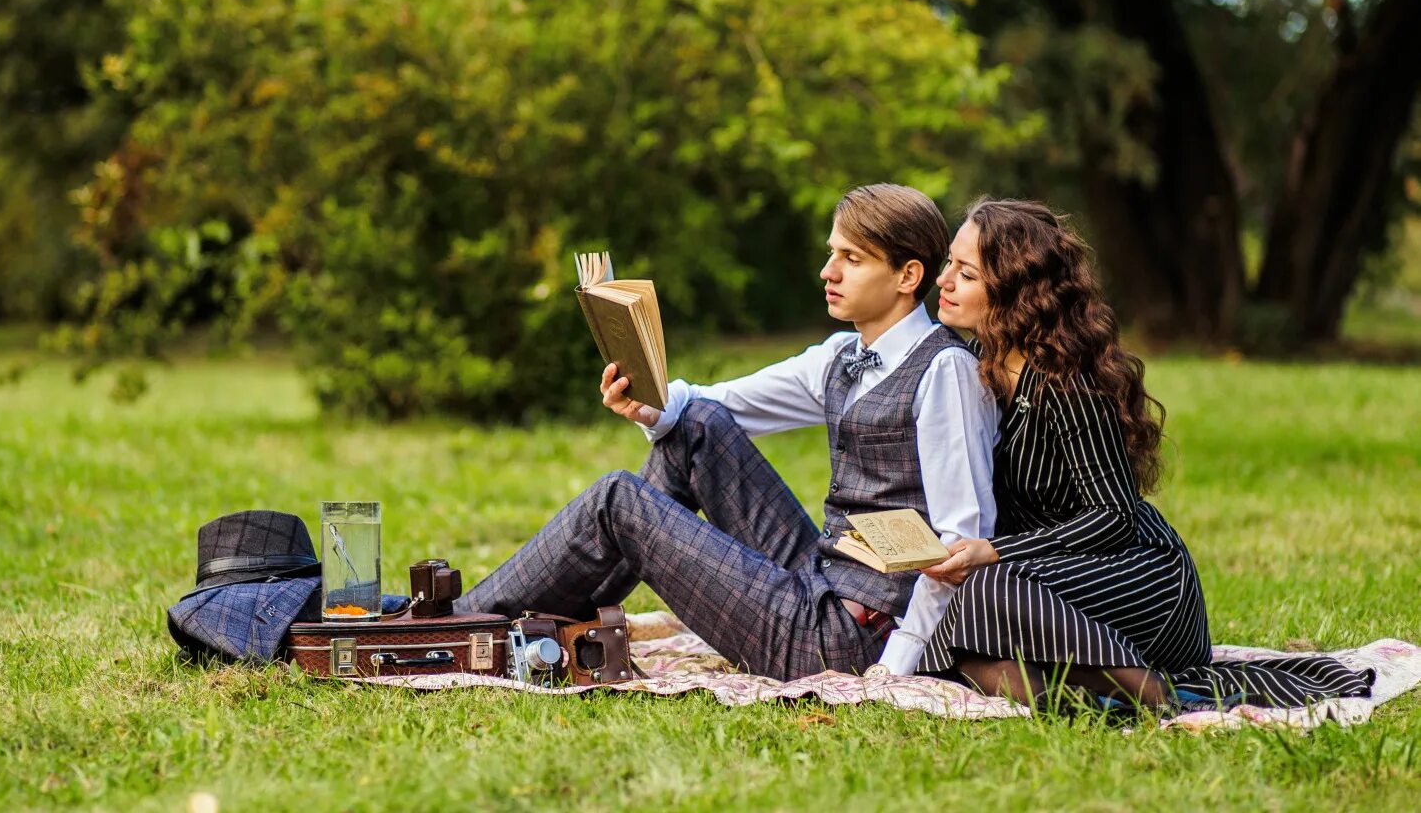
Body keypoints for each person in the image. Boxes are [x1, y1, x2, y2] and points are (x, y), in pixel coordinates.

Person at [455, 183, 999, 680]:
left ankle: (454, 627)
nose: (827, 271)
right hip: (819, 578)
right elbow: (717, 403)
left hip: (847, 639)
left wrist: (896, 667)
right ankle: (521, 625)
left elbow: (959, 545)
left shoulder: (944, 371)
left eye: (851, 259)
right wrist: (647, 402)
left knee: (619, 499)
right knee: (696, 425)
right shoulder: (840, 356)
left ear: (907, 276)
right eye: (832, 252)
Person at [917, 198, 1374, 709]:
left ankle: (1158, 695)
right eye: (950, 265)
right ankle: (1082, 708)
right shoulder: (977, 364)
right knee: (958, 646)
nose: (944, 280)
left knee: (989, 589)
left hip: (1138, 581)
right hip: (1044, 591)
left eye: (966, 273)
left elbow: (1113, 519)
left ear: (1016, 292)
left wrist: (997, 551)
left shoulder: (1069, 385)